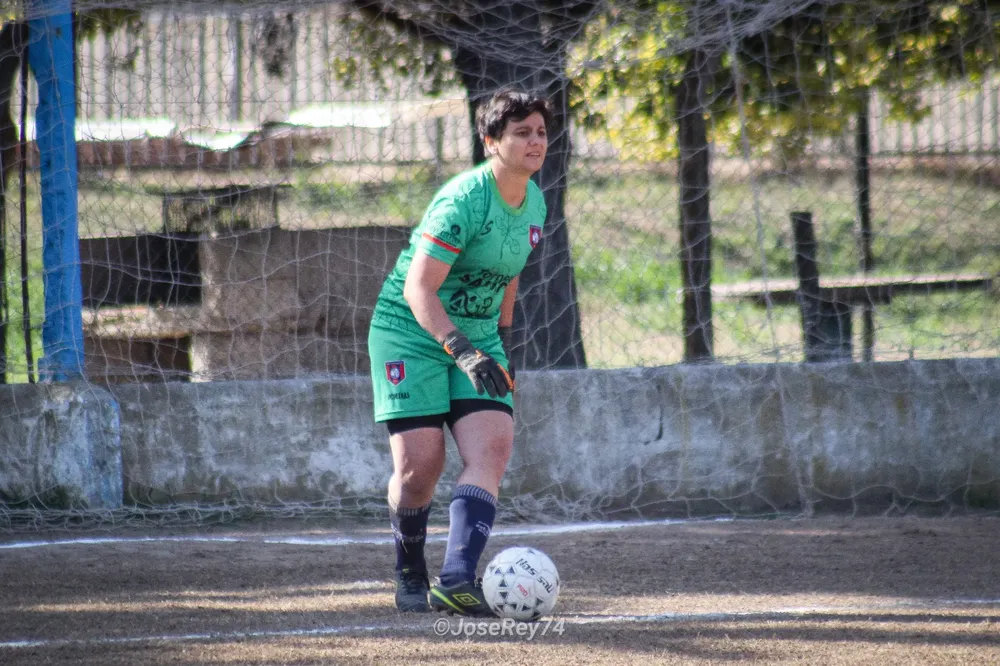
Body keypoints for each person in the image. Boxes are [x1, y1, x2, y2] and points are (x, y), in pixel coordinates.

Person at [367, 88, 551, 616]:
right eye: (521, 132)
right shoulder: (463, 200)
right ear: (491, 141)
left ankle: (456, 579)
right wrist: (461, 349)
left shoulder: (534, 199)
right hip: (411, 331)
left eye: (540, 132)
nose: (534, 141)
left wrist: (501, 340)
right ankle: (410, 571)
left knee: (492, 449)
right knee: (420, 467)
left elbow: (508, 271)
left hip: (478, 333)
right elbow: (418, 290)